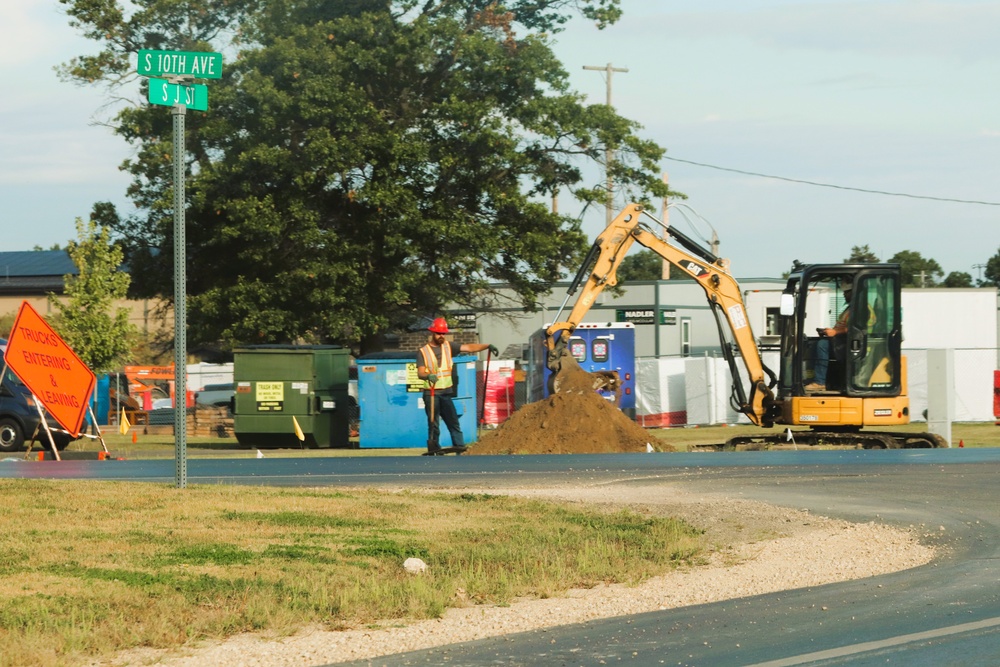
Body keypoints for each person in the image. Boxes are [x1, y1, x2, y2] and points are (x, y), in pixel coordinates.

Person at [417, 317, 499, 453]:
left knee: (453, 421)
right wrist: (427, 376)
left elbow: (469, 347)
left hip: (446, 393)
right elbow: (420, 373)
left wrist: (487, 346)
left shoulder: (449, 346)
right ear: (432, 333)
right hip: (431, 393)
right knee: (433, 424)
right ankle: (434, 448)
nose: (441, 336)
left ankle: (460, 448)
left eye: (443, 333)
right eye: (438, 333)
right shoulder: (423, 352)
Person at [805, 284, 852, 392]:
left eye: (846, 292)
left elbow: (856, 328)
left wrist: (835, 332)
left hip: (852, 343)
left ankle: (820, 382)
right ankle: (811, 378)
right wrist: (829, 331)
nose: (844, 294)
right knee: (812, 343)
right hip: (843, 340)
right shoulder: (851, 308)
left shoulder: (861, 309)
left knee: (823, 344)